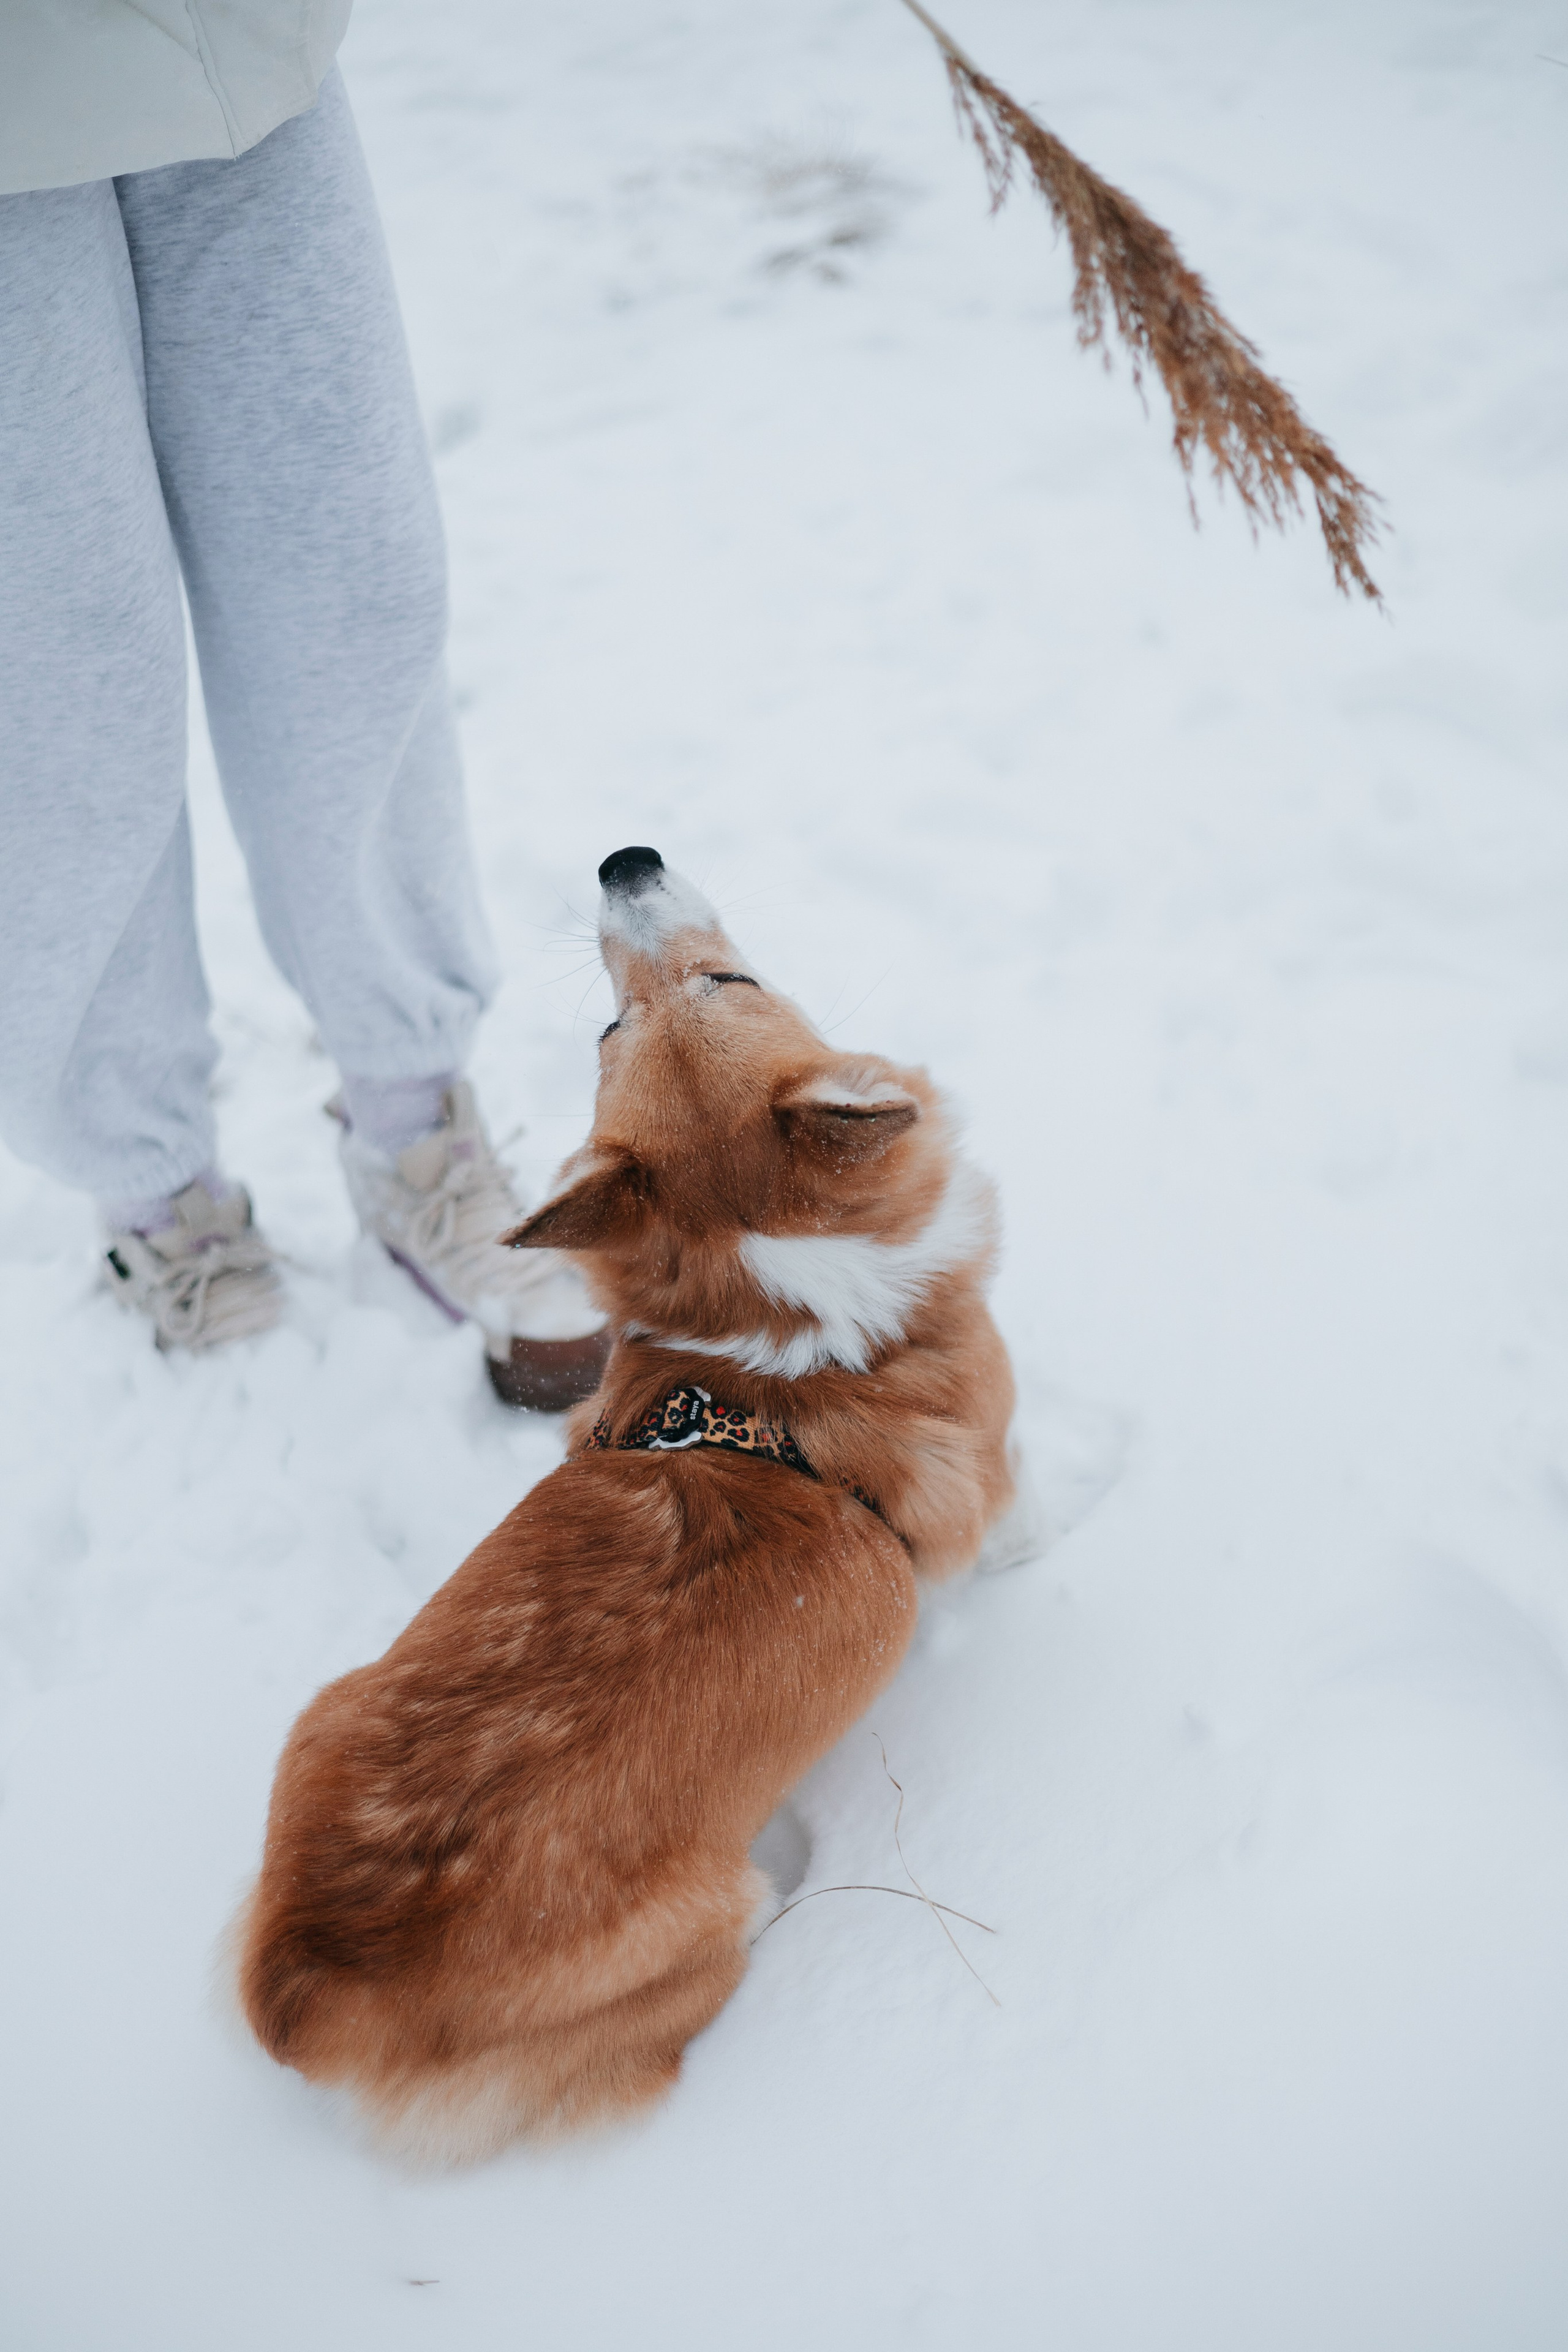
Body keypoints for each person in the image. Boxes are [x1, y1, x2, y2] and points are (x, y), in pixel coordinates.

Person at [0, 2, 608, 1408]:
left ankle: (414, 1120)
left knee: (353, 585)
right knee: (62, 674)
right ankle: (158, 1195)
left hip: (227, 40)